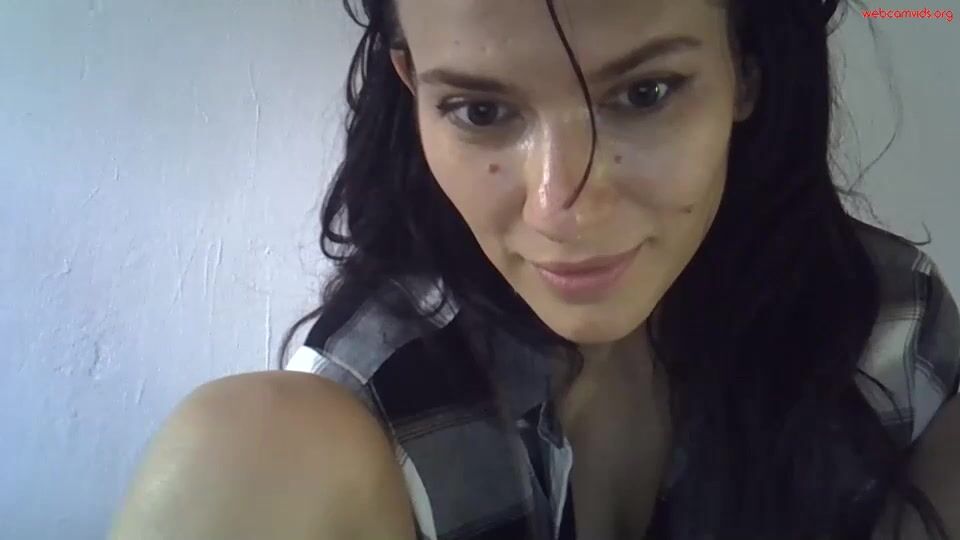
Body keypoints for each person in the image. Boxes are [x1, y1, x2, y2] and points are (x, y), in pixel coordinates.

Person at [109, 0, 960, 539]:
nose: (563, 206)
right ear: (411, 86)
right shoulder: (310, 442)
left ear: (745, 69)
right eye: (481, 110)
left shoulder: (888, 327)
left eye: (645, 93)